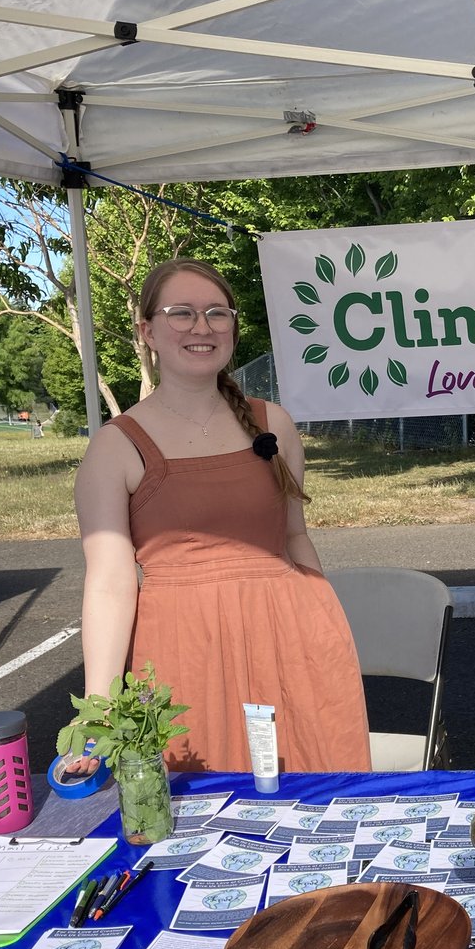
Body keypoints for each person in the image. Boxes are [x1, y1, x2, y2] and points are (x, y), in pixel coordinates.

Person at [73, 258, 371, 773]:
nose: (202, 327)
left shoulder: (272, 424)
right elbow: (108, 583)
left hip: (292, 638)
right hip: (182, 651)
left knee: (314, 801)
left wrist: (323, 625)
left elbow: (295, 537)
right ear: (147, 330)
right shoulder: (115, 447)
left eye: (217, 312)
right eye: (181, 313)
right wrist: (96, 713)